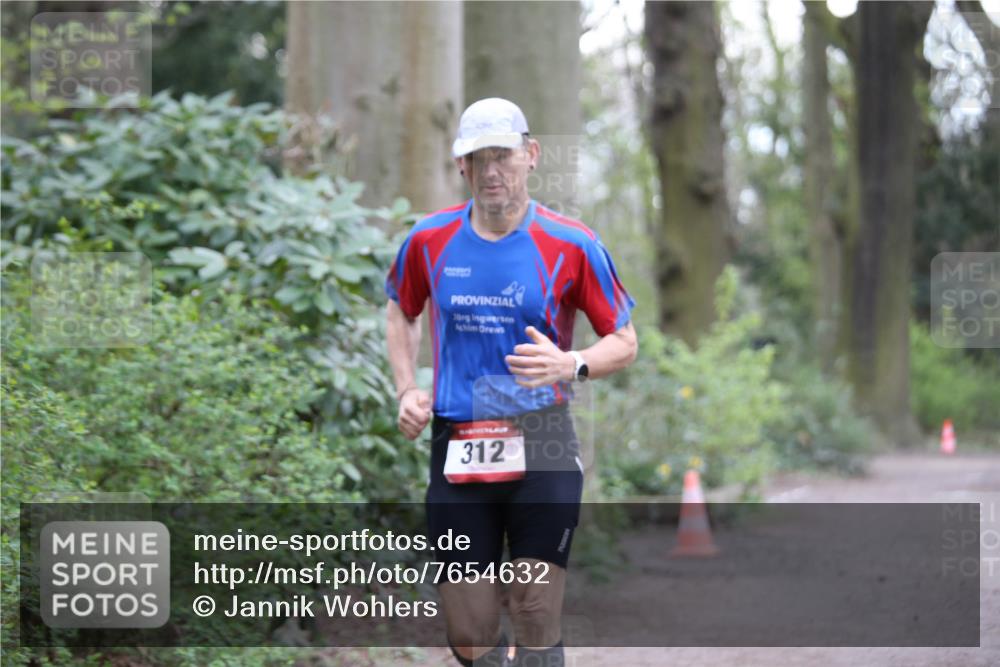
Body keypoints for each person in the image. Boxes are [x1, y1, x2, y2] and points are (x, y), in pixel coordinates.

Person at [385, 97, 637, 666]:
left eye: (503, 155)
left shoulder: (572, 242)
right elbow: (401, 310)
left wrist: (570, 363)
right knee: (469, 634)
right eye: (479, 158)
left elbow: (624, 341)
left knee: (535, 609)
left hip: (543, 437)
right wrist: (405, 388)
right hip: (458, 439)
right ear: (462, 165)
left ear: (531, 155)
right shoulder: (428, 240)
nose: (491, 170)